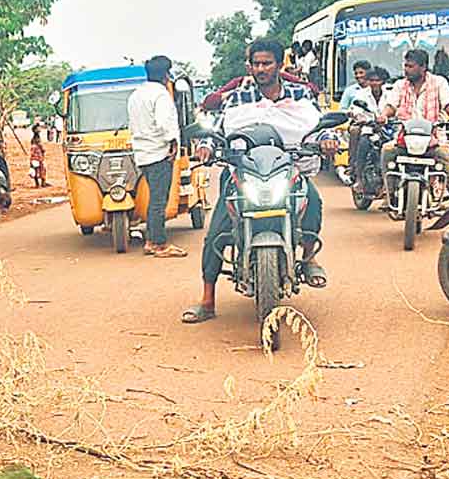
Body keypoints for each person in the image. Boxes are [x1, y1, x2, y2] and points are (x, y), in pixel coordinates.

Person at [182, 38, 334, 325]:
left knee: (312, 202)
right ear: (249, 66)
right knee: (218, 229)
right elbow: (216, 128)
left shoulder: (301, 95)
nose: (261, 68)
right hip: (243, 170)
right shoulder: (236, 98)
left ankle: (309, 257)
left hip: (289, 168)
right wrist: (205, 145)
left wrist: (327, 139)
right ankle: (207, 299)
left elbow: (318, 124)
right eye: (256, 63)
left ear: (279, 64)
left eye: (267, 63)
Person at [128, 56, 187, 259]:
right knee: (158, 201)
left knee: (156, 198)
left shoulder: (136, 95)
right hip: (159, 152)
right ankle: (157, 243)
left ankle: (153, 240)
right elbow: (165, 123)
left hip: (143, 153)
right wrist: (172, 143)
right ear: (165, 75)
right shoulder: (161, 95)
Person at [381, 48, 449, 193]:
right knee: (387, 152)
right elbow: (391, 105)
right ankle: (390, 193)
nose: (406, 70)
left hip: (433, 137)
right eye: (405, 65)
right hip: (405, 138)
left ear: (423, 67)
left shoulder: (439, 82)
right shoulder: (400, 85)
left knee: (446, 159)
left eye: (410, 66)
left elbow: (447, 103)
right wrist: (384, 116)